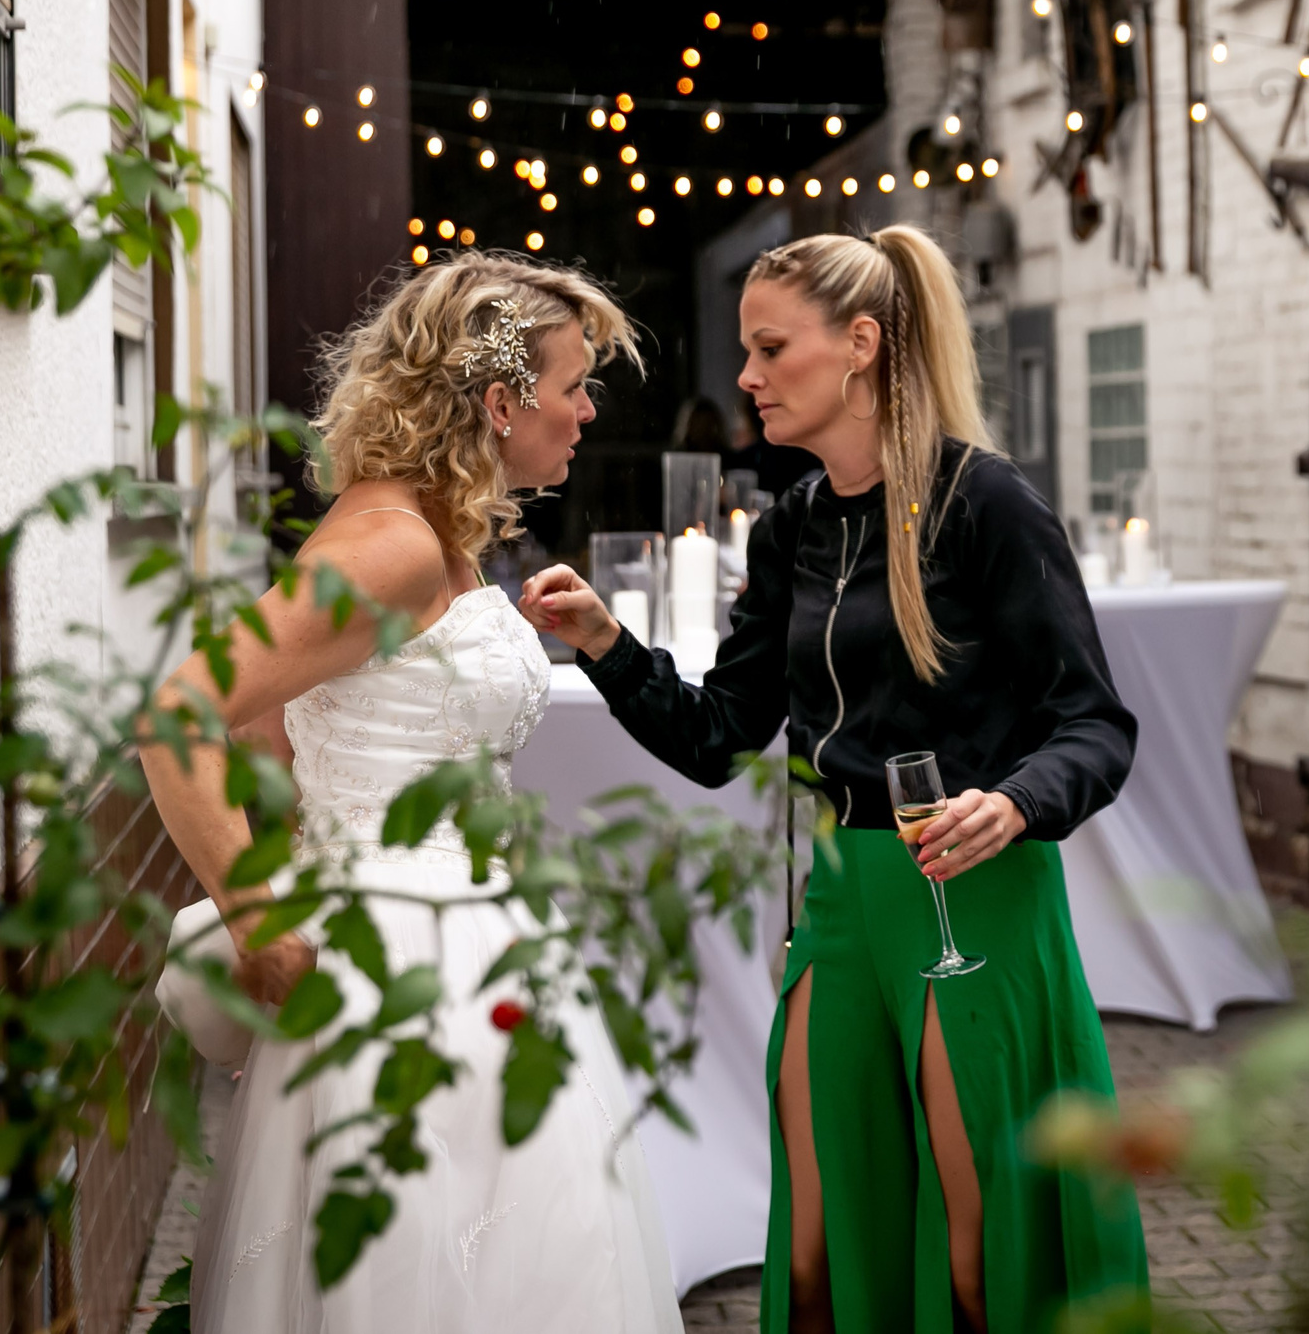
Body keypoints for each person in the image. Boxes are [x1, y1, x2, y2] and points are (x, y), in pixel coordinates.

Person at [521, 227, 1148, 1334]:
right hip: (843, 905)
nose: (746, 377)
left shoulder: (986, 506)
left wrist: (1009, 802)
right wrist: (607, 645)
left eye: (770, 348)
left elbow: (1093, 724)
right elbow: (721, 736)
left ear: (859, 344)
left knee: (974, 1252)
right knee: (815, 1246)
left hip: (976, 902)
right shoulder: (792, 530)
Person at [142, 254, 683, 1334]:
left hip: (460, 947)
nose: (584, 414)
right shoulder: (391, 543)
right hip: (405, 970)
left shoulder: (426, 532)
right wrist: (261, 925)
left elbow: (268, 726)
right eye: (574, 386)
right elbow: (181, 715)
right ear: (497, 400)